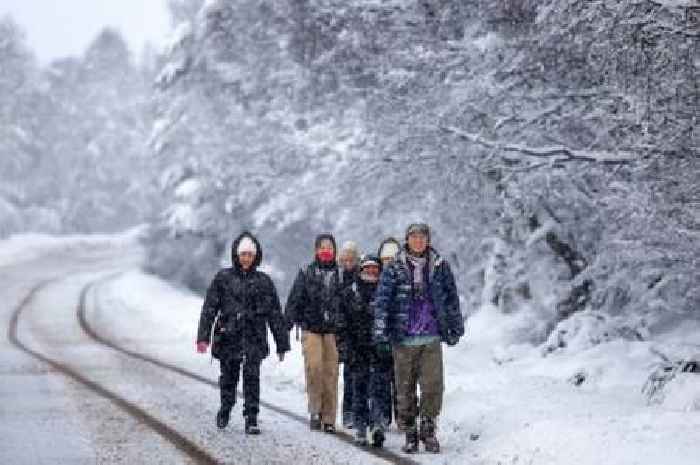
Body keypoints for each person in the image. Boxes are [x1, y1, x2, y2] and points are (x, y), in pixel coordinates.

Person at [373, 223, 465, 454]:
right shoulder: (394, 267)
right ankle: (410, 432)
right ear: (407, 240)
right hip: (403, 338)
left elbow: (451, 297)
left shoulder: (440, 265)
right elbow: (382, 302)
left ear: (428, 240)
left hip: (431, 336)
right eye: (414, 237)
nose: (418, 241)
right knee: (404, 389)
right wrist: (381, 330)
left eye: (422, 237)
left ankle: (428, 428)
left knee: (433, 386)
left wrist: (455, 325)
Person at [196, 231, 290, 434]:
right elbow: (209, 308)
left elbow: (274, 314)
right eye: (243, 254)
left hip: (254, 337)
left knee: (252, 377)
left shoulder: (264, 282)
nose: (246, 258)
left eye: (250, 254)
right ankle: (226, 407)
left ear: (256, 256)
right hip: (228, 336)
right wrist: (203, 337)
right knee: (228, 377)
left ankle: (251, 417)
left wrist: (282, 343)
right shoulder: (223, 278)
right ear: (236, 255)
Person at [285, 233, 343, 433]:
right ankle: (315, 410)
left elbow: (347, 303)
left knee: (331, 373)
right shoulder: (306, 272)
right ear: (316, 250)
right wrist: (286, 325)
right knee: (315, 368)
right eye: (322, 247)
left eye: (330, 247)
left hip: (333, 331)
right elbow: (294, 300)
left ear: (335, 250)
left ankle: (329, 418)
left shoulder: (341, 274)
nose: (326, 250)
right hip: (310, 328)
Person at [341, 255, 392, 447]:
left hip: (380, 347)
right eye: (367, 268)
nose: (371, 272)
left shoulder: (386, 293)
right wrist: (345, 346)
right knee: (359, 387)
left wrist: (388, 341)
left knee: (379, 387)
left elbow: (392, 319)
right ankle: (361, 425)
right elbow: (342, 322)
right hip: (357, 348)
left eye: (375, 269)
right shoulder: (350, 293)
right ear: (361, 270)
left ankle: (377, 423)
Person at [337, 241, 360, 429]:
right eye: (344, 259)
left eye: (351, 259)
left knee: (358, 374)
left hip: (358, 330)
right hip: (343, 330)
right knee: (348, 373)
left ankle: (358, 410)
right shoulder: (337, 277)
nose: (347, 262)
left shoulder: (362, 276)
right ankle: (347, 412)